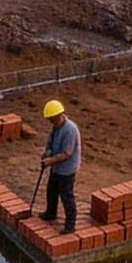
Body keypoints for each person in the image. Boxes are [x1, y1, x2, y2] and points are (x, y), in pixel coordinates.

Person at [39, 100, 80, 233]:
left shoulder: (70, 130)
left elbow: (66, 154)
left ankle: (70, 225)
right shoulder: (55, 127)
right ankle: (50, 213)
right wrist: (47, 153)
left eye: (52, 119)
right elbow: (51, 145)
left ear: (59, 115)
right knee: (51, 191)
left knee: (66, 196)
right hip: (56, 168)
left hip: (67, 170)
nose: (50, 121)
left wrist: (49, 162)